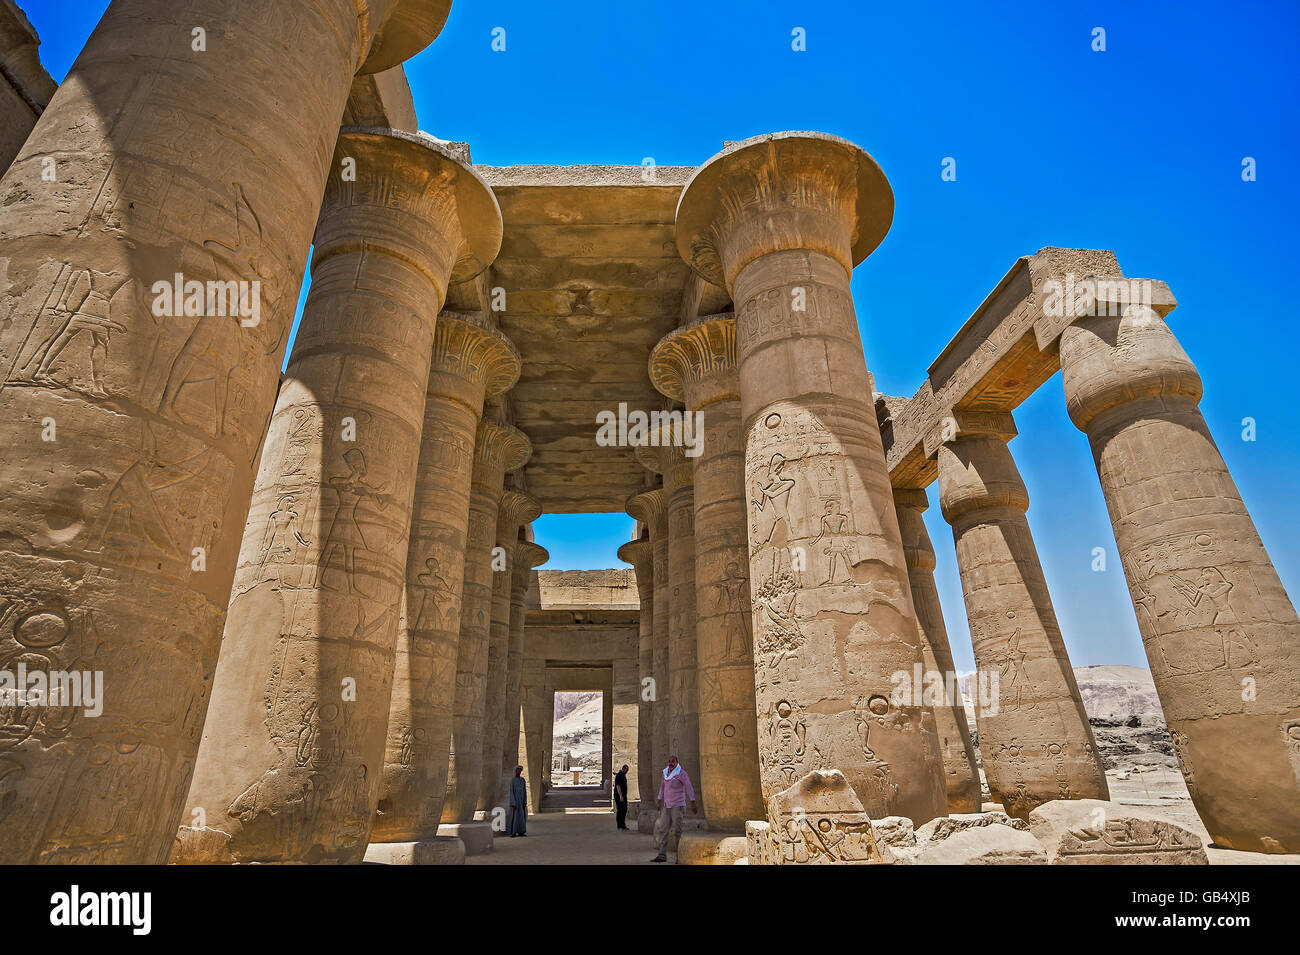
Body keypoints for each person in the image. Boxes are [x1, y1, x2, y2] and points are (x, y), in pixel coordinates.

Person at [650, 755, 696, 862]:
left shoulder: (682, 774)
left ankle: (679, 857)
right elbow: (662, 787)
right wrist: (659, 799)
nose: (671, 763)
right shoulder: (665, 773)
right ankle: (661, 855)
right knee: (663, 829)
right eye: (669, 761)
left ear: (677, 762)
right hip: (667, 806)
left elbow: (689, 787)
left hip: (678, 806)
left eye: (673, 761)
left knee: (678, 831)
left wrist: (693, 801)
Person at [507, 765, 527, 837]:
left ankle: (521, 831)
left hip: (521, 801)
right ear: (515, 771)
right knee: (514, 817)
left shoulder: (522, 780)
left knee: (521, 817)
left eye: (520, 770)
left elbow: (524, 791)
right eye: (518, 770)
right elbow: (511, 792)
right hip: (515, 802)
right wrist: (513, 802)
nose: (519, 771)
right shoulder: (513, 780)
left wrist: (525, 801)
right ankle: (513, 832)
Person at [613, 764, 629, 830]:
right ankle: (621, 825)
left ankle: (621, 825)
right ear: (624, 769)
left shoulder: (622, 775)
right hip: (619, 796)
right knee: (621, 810)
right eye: (627, 770)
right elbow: (618, 786)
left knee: (623, 810)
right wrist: (621, 796)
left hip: (622, 796)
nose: (627, 771)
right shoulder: (619, 775)